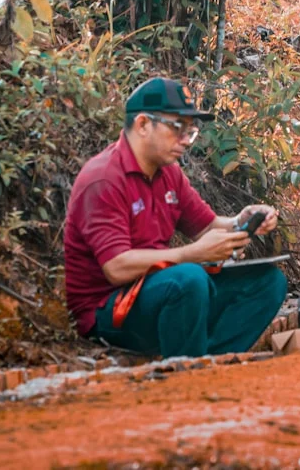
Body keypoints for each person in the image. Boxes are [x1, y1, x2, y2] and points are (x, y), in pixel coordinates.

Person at [63, 76, 288, 359]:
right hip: (110, 308)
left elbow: (206, 226)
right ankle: (188, 369)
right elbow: (116, 268)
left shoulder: (167, 171)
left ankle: (209, 360)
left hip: (161, 289)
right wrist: (191, 254)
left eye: (190, 131)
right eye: (176, 128)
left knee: (268, 283)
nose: (185, 140)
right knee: (189, 278)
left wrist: (243, 220)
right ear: (143, 124)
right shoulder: (104, 179)